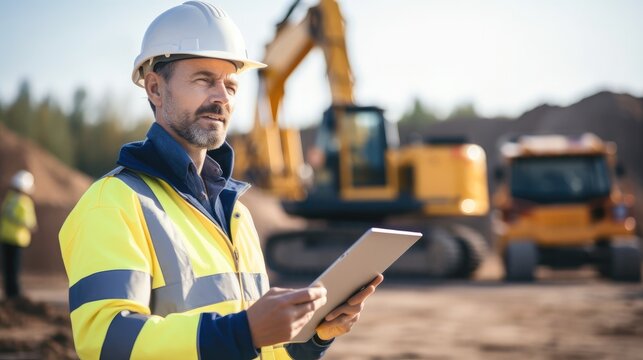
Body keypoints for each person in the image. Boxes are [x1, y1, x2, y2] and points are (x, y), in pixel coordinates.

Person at [59, 2, 383, 359]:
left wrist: (313, 337)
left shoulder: (235, 215)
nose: (221, 97)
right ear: (154, 88)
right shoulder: (114, 203)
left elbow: (258, 348)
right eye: (203, 80)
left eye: (230, 85)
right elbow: (107, 342)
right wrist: (240, 331)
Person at [1, 170, 37, 299]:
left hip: (5, 237)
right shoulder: (25, 202)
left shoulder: (9, 198)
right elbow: (29, 222)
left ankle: (9, 292)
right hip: (17, 239)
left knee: (7, 268)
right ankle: (14, 294)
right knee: (14, 268)